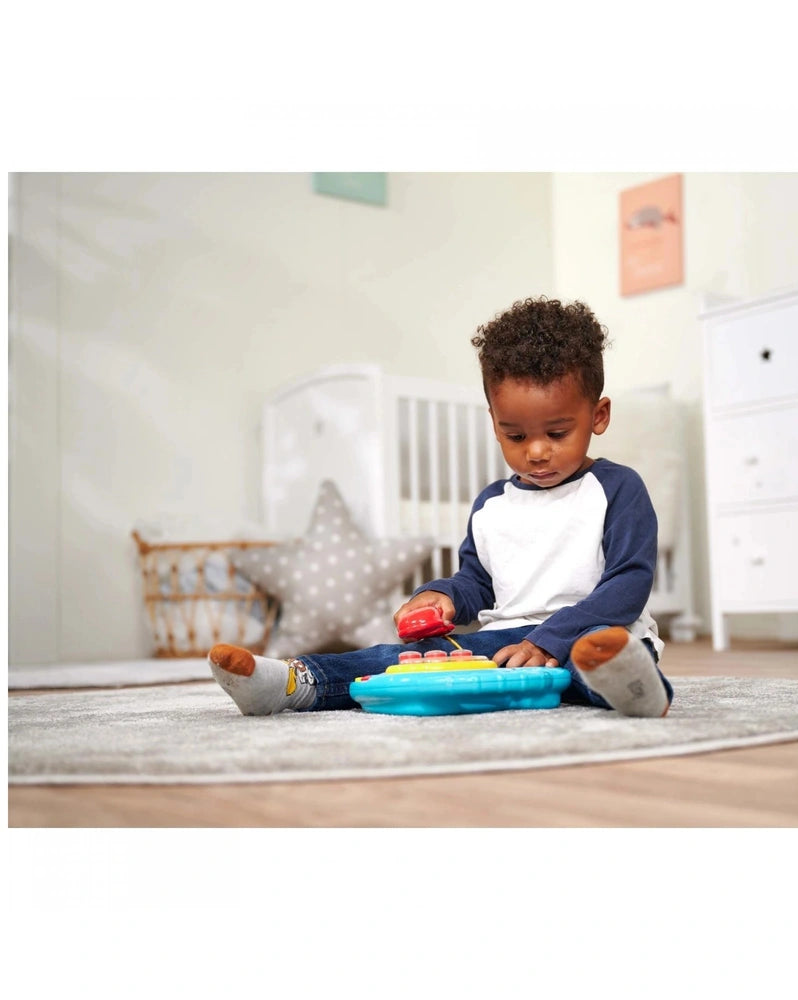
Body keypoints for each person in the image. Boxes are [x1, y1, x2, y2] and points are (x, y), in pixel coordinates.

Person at [208, 297, 673, 718]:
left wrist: (552, 638)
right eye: (515, 435)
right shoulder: (492, 505)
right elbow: (479, 583)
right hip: (507, 647)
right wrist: (443, 595)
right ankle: (295, 683)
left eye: (556, 433)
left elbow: (627, 586)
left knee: (592, 661)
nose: (535, 452)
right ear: (494, 422)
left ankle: (632, 686)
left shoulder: (617, 488)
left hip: (591, 637)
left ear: (598, 416)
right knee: (410, 658)